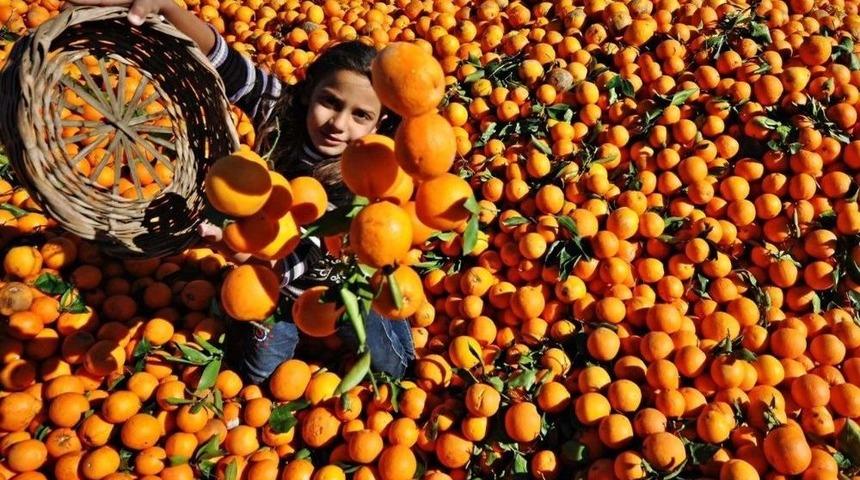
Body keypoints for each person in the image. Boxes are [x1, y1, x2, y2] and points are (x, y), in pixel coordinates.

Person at [67, 0, 416, 384]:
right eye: (330, 102)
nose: (338, 123)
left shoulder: (371, 175)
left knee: (392, 368)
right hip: (268, 278)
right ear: (307, 93)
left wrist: (247, 249)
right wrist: (166, 7)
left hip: (337, 281)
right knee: (257, 374)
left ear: (380, 121)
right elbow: (224, 61)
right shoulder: (281, 115)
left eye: (359, 115)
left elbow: (313, 252)